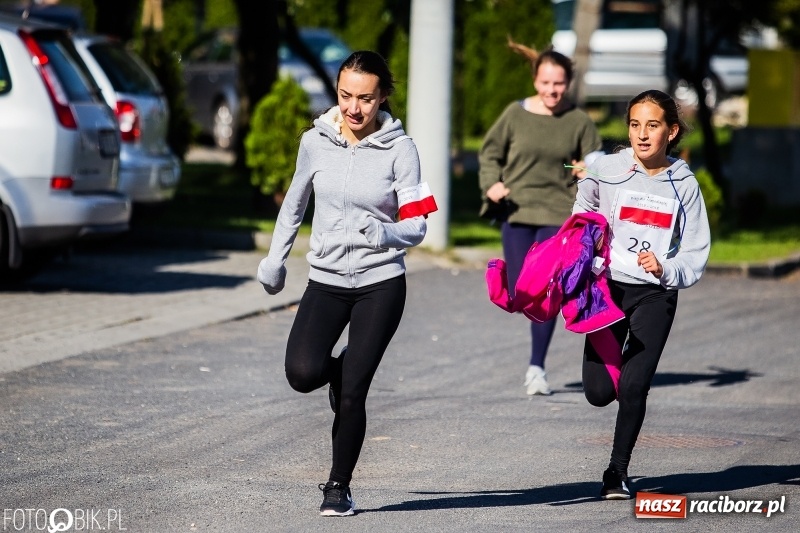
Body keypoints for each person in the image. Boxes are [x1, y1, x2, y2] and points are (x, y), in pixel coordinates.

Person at [256, 50, 437, 516]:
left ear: (383, 98)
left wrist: (386, 233)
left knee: (354, 390)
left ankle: (338, 485)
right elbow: (293, 206)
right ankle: (337, 370)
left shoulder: (402, 149)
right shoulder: (314, 142)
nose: (355, 108)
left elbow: (418, 227)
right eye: (346, 96)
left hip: (381, 283)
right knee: (301, 373)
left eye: (366, 99)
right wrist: (275, 260)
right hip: (327, 279)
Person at [572, 89, 711, 499]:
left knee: (634, 386)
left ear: (671, 132)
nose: (642, 134)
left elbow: (695, 251)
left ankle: (616, 472)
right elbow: (584, 206)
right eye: (635, 124)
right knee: (599, 393)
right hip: (607, 289)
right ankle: (614, 382)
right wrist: (586, 238)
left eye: (652, 126)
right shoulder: (609, 168)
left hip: (655, 294)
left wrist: (665, 267)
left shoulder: (684, 184)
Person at [478, 39, 604, 395]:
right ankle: (499, 278)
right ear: (536, 80)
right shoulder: (515, 115)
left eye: (559, 84)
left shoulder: (577, 121)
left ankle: (537, 368)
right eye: (546, 83)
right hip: (518, 211)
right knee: (522, 292)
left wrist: (582, 168)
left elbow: (595, 161)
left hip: (557, 213)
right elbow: (489, 154)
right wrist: (492, 184)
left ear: (567, 84)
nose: (552, 90)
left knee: (545, 292)